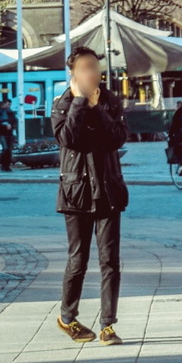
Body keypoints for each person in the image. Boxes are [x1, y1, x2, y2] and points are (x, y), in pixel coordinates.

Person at [52, 48, 129, 344]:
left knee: (110, 260)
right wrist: (81, 103)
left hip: (108, 188)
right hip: (77, 191)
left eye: (95, 67)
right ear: (74, 72)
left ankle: (108, 324)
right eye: (85, 67)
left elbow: (117, 138)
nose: (92, 72)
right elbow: (68, 139)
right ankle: (67, 317)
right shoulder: (63, 103)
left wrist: (97, 108)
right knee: (78, 260)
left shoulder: (110, 100)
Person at [0, 91, 16, 171]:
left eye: (9, 104)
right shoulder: (0, 112)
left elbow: (15, 121)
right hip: (2, 133)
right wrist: (4, 125)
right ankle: (3, 165)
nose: (8, 106)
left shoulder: (11, 113)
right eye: (7, 104)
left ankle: (7, 165)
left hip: (10, 133)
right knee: (5, 148)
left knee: (9, 150)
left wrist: (12, 126)